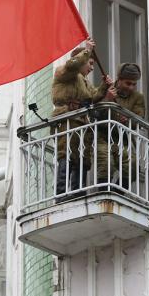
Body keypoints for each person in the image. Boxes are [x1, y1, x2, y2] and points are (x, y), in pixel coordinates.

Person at [52, 40, 114, 200]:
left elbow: (93, 97)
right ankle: (61, 193)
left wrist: (104, 86)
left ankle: (78, 192)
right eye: (90, 63)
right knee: (67, 153)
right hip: (67, 119)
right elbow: (71, 65)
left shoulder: (84, 81)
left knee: (82, 157)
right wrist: (87, 51)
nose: (92, 68)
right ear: (81, 59)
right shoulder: (64, 72)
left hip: (82, 121)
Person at [99, 63, 146, 192]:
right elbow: (96, 113)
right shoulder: (106, 89)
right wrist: (108, 99)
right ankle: (103, 194)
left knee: (132, 165)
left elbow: (139, 119)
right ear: (119, 80)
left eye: (134, 84)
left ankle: (117, 194)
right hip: (103, 137)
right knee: (105, 162)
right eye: (128, 83)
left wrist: (129, 120)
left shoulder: (138, 97)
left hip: (123, 139)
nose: (131, 87)